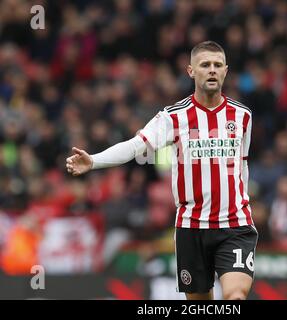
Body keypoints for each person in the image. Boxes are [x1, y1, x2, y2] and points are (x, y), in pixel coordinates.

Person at [66, 41, 258, 300]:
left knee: (235, 296)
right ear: (191, 71)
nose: (211, 70)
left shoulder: (242, 116)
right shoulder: (173, 117)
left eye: (217, 65)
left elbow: (242, 166)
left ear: (225, 71)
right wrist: (94, 161)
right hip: (191, 226)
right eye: (205, 65)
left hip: (234, 224)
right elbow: (136, 146)